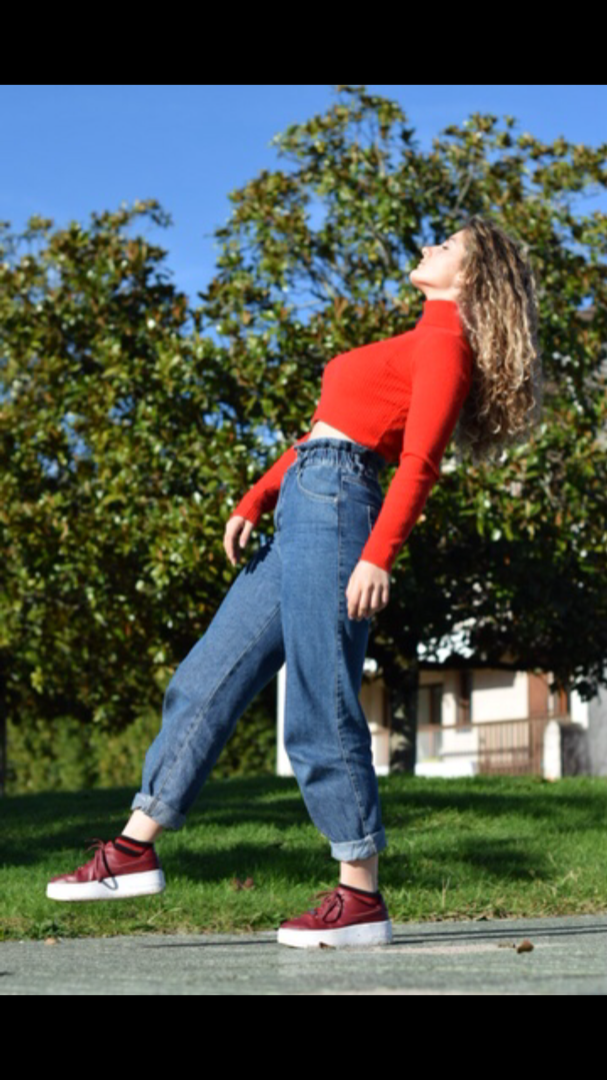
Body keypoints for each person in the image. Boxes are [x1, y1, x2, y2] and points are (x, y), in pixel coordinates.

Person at [46, 215, 543, 949]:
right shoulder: (417, 338)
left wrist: (378, 555)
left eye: (445, 246)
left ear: (469, 276)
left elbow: (420, 463)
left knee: (320, 700)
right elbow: (324, 431)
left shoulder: (445, 342)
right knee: (206, 677)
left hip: (340, 510)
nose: (427, 246)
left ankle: (359, 894)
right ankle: (132, 850)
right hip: (308, 498)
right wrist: (256, 496)